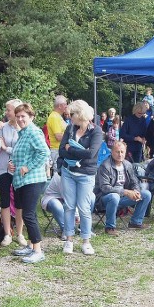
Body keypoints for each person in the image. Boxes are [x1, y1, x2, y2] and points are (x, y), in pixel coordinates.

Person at [59, 100, 104, 256]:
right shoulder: (70, 128)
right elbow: (61, 151)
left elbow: (91, 154)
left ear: (79, 115)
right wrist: (77, 151)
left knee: (84, 208)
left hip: (86, 174)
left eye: (72, 114)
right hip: (68, 172)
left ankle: (86, 241)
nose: (69, 117)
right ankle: (69, 240)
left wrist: (70, 148)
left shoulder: (96, 131)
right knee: (69, 206)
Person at [8, 103, 50, 263]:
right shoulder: (23, 133)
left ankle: (38, 250)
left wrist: (28, 166)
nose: (19, 119)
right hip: (22, 180)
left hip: (33, 179)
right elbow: (20, 154)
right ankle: (31, 245)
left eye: (23, 116)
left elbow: (44, 152)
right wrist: (11, 163)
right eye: (17, 116)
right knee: (26, 213)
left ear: (31, 117)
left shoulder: (33, 132)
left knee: (29, 214)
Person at [94, 141, 152, 235]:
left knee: (146, 194)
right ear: (112, 152)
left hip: (122, 197)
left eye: (122, 152)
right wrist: (125, 192)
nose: (120, 154)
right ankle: (110, 227)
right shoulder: (105, 166)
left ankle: (135, 222)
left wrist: (135, 191)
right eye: (117, 152)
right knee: (114, 196)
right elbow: (105, 188)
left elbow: (134, 181)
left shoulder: (127, 164)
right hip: (104, 199)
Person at [0, 99, 25, 247]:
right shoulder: (3, 127)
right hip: (2, 168)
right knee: (4, 201)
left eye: (8, 110)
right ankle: (7, 233)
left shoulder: (24, 128)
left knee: (19, 202)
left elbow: (21, 149)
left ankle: (20, 233)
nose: (6, 113)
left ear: (16, 111)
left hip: (18, 169)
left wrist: (7, 147)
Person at [47, 95, 68, 174]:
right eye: (65, 104)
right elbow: (58, 137)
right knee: (58, 174)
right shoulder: (54, 117)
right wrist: (72, 137)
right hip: (57, 150)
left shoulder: (58, 116)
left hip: (60, 150)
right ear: (59, 106)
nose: (66, 106)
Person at [40, 173, 66, 237]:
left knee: (91, 198)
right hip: (51, 198)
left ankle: (83, 227)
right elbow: (66, 196)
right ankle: (66, 230)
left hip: (65, 200)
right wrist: (77, 214)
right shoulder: (59, 175)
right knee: (56, 204)